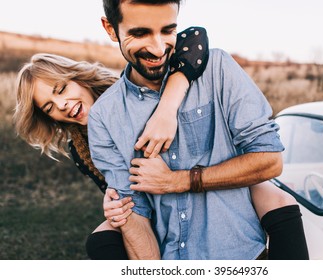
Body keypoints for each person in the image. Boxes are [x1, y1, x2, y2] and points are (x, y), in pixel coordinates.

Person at [86, 0, 309, 260]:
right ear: (110, 29)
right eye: (140, 33)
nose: (158, 49)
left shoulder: (218, 69)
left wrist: (176, 181)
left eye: (168, 30)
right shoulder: (103, 116)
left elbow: (269, 161)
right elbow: (133, 213)